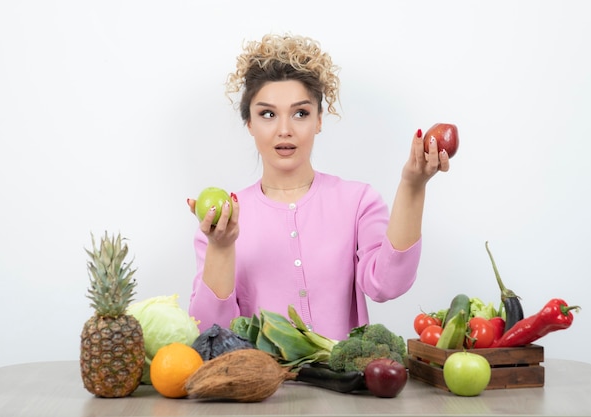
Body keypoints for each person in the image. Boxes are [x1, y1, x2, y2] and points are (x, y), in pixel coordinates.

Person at [187, 33, 450, 341]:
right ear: (249, 124)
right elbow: (211, 333)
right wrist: (221, 247)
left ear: (319, 120)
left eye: (300, 113)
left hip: (343, 386)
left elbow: (386, 285)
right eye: (267, 114)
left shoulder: (358, 202)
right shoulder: (224, 221)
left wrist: (413, 186)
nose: (284, 130)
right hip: (264, 387)